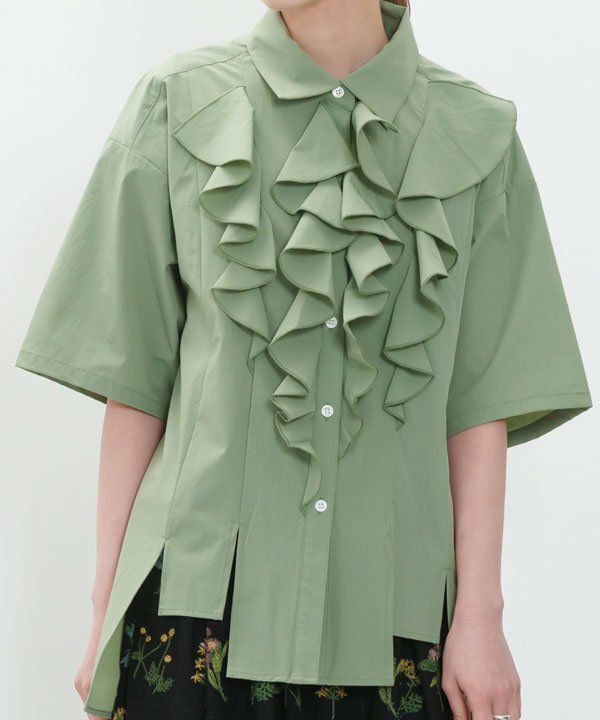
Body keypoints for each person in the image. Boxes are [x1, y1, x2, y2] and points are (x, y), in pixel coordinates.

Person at [16, 1, 592, 719]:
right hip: (193, 611)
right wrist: (105, 608)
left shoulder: (476, 134)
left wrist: (482, 614)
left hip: (397, 623)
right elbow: (135, 384)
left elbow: (478, 406)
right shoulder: (179, 102)